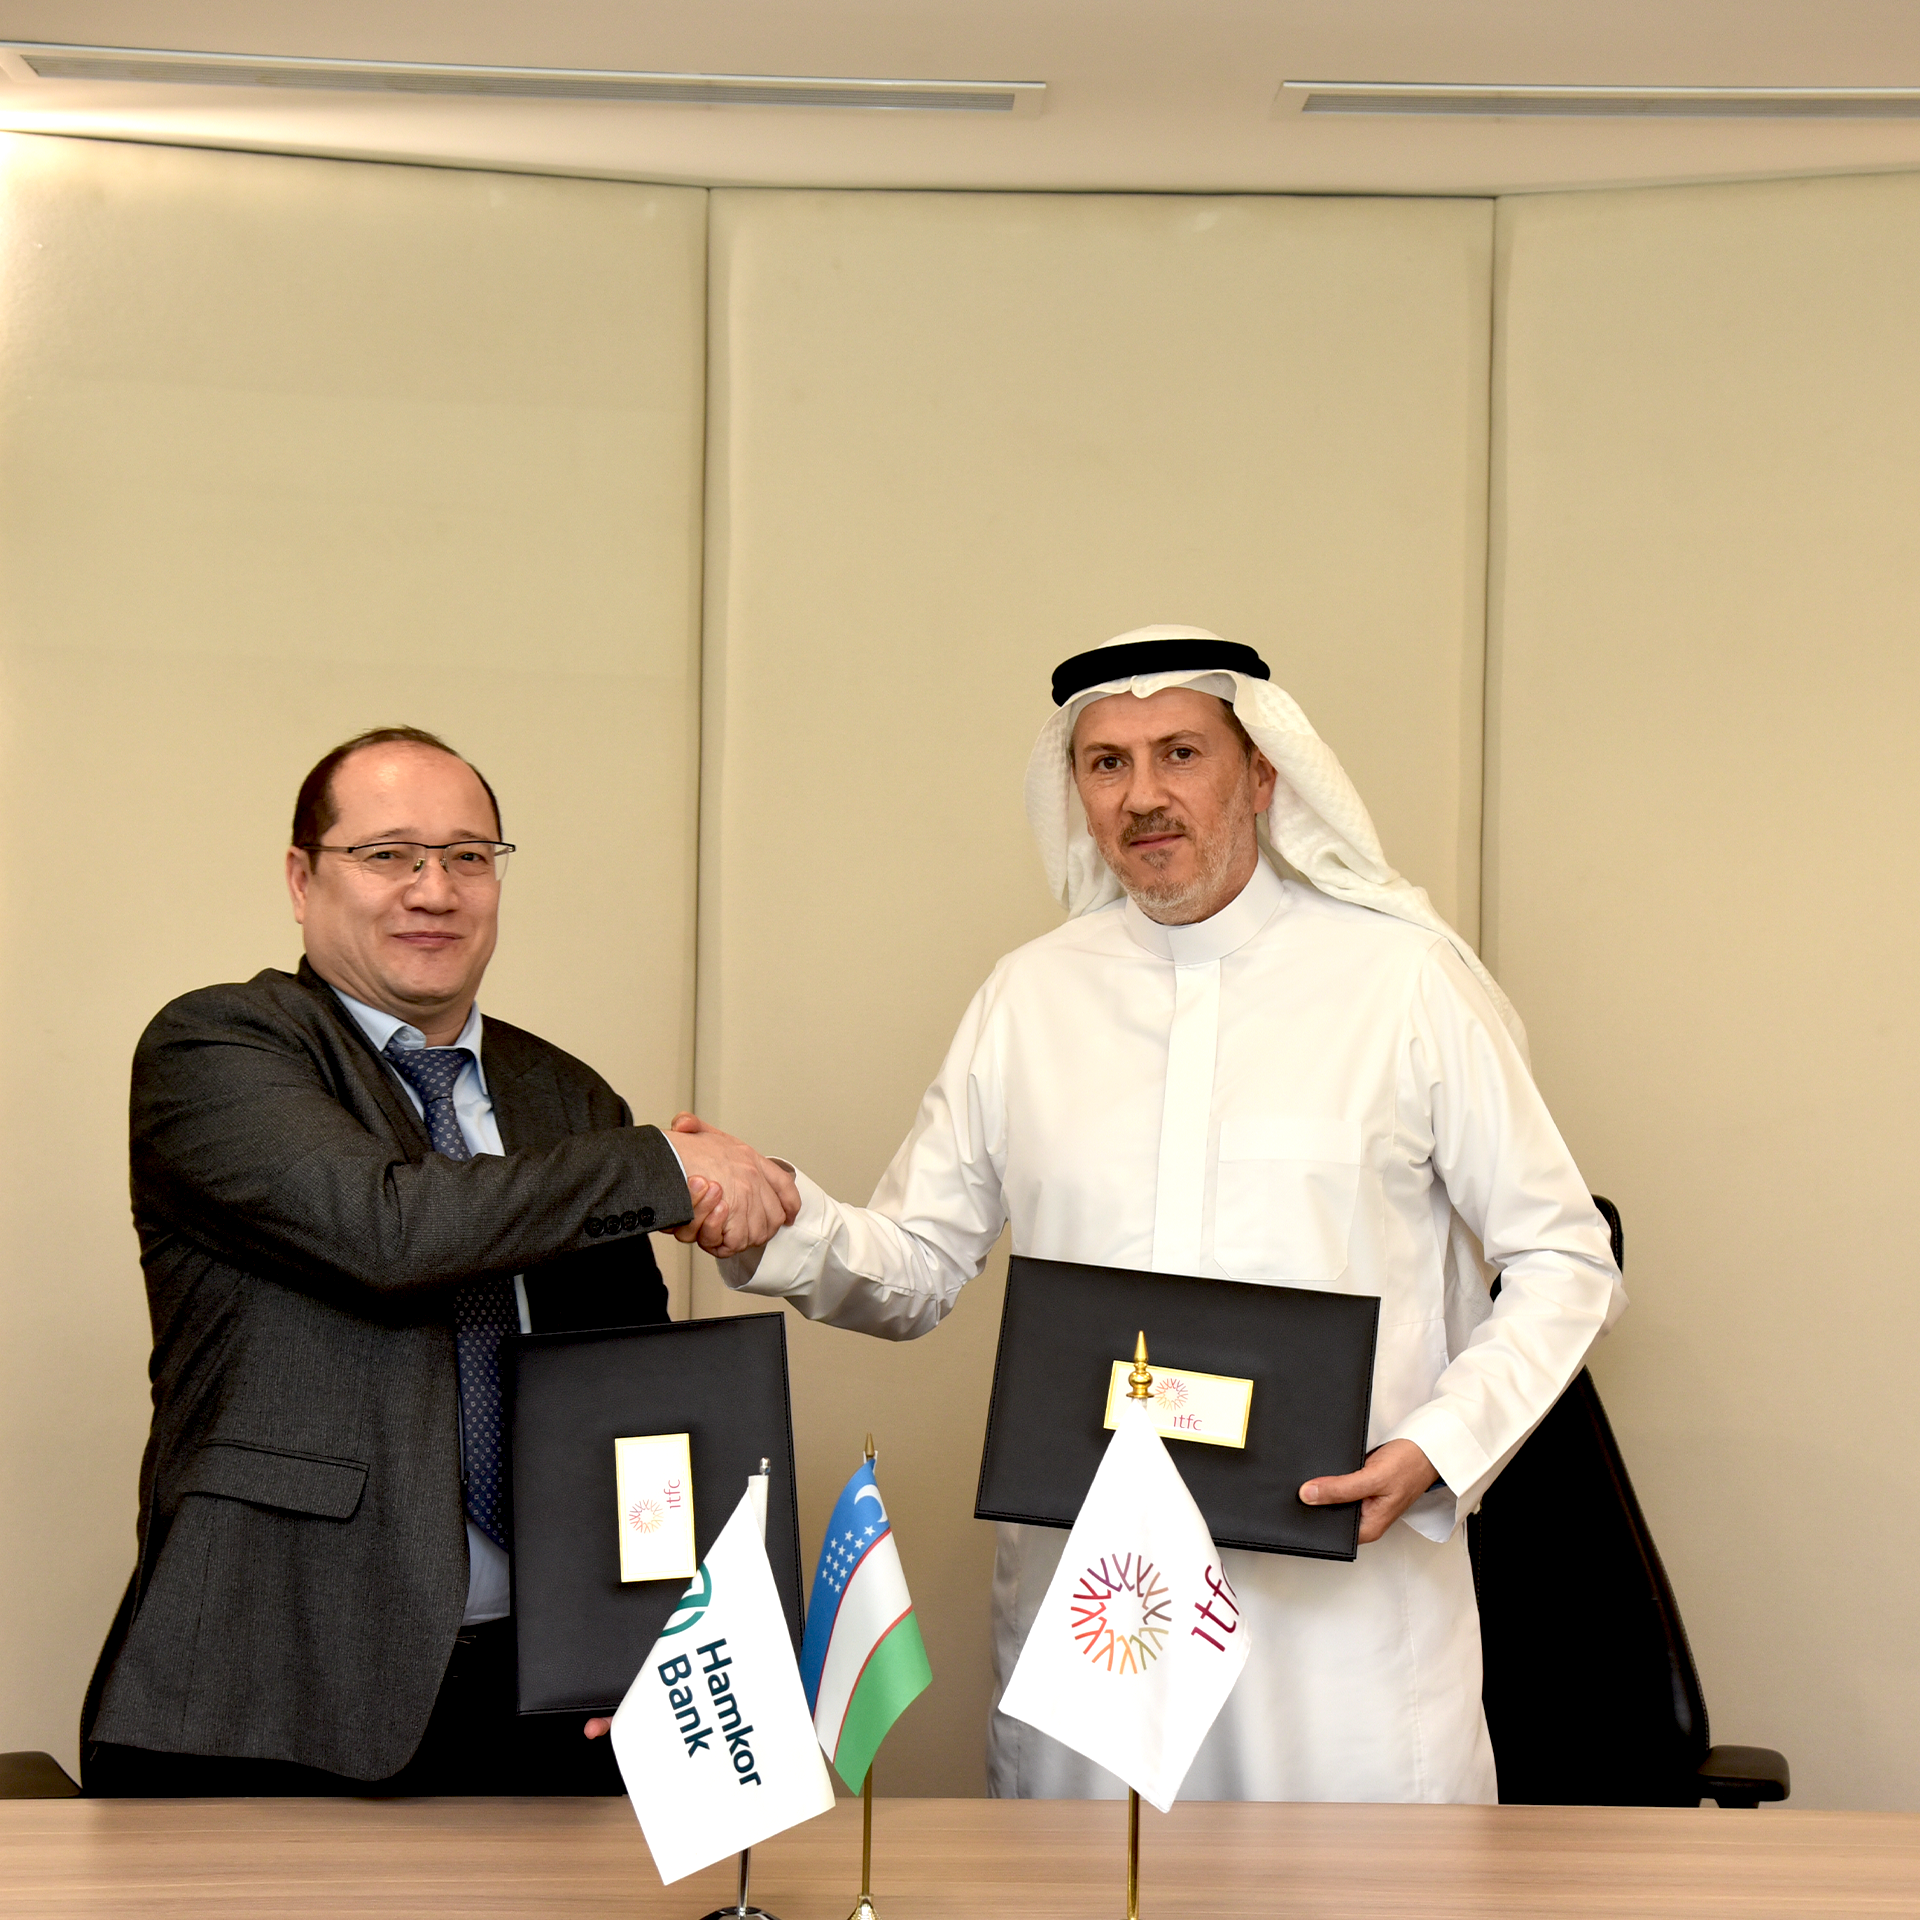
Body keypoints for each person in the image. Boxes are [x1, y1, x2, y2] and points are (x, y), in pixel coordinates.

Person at [697, 626, 1625, 1803]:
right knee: (1094, 1884)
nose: (1143, 795)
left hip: (1337, 1622)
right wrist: (776, 1223)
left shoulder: (1403, 986)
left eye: (1180, 753)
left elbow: (1564, 1257)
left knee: (1349, 1887)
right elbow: (918, 1262)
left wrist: (1439, 1451)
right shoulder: (1029, 998)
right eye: (1107, 763)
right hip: (1100, 1609)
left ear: (1263, 776)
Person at [82, 726, 796, 1795]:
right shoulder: (217, 1047)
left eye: (468, 857)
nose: (435, 890)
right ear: (301, 879)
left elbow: (632, 1396)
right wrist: (665, 1165)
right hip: (270, 1687)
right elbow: (388, 1230)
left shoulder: (565, 1097)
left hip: (548, 1694)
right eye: (389, 855)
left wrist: (652, 1632)